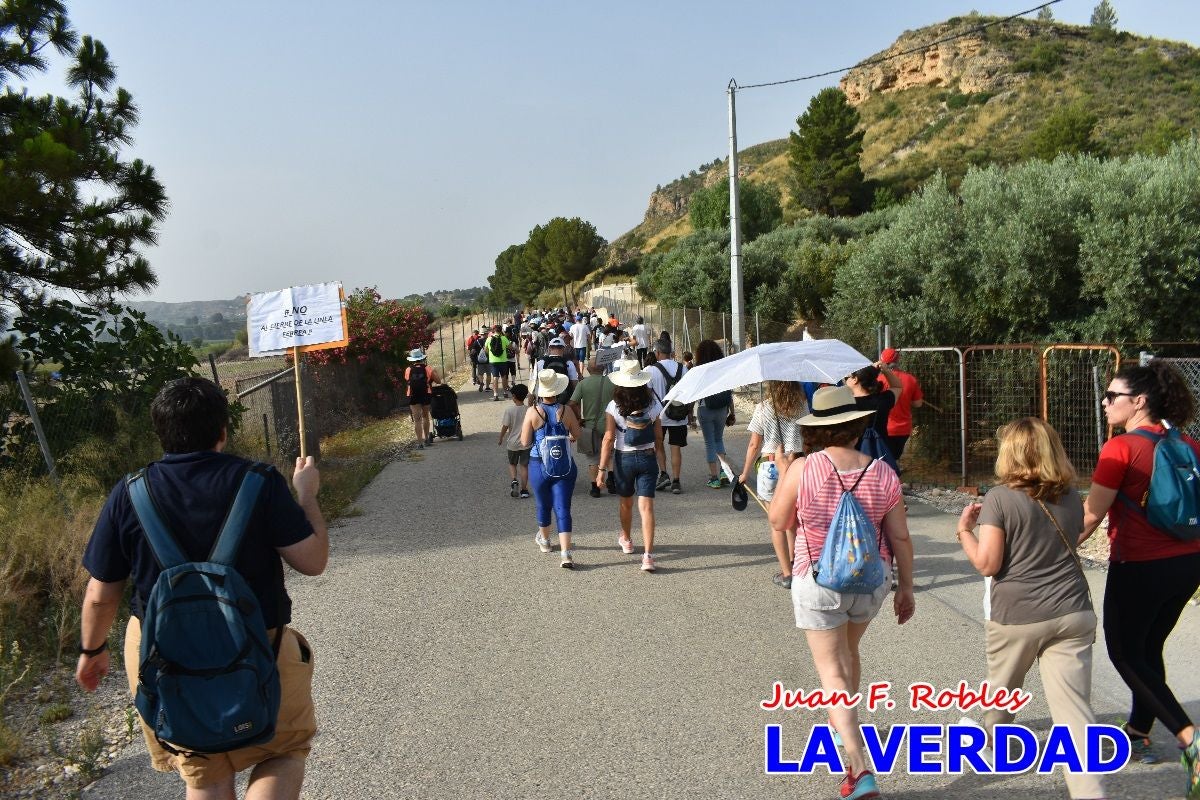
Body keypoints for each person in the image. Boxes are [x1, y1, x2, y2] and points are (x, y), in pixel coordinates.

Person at [75, 377, 328, 800]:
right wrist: (306, 497)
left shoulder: (129, 493)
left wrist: (92, 650)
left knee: (204, 775)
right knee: (282, 751)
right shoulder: (259, 481)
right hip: (260, 647)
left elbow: (102, 594)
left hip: (165, 658)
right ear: (222, 431)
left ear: (160, 433)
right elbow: (313, 561)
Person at [767, 384, 915, 800]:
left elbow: (779, 521)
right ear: (855, 425)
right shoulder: (883, 471)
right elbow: (900, 538)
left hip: (818, 582)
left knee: (832, 672)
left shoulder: (804, 467)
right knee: (849, 654)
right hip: (871, 582)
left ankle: (859, 768)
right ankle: (842, 720)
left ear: (818, 429)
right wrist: (906, 588)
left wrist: (783, 475)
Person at [956, 418, 1105, 800]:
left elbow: (988, 564)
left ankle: (990, 744)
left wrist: (964, 532)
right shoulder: (1072, 496)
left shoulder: (1000, 499)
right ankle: (1091, 793)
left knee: (1003, 688)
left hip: (1019, 614)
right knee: (1075, 714)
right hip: (1073, 610)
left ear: (1010, 454)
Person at [1080, 361, 1200, 789]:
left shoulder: (1121, 448)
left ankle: (1190, 739)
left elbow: (1090, 515)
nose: (1106, 401)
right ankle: (1138, 730)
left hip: (1140, 564)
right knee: (1149, 649)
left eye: (1113, 396)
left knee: (1126, 654)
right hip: (1188, 563)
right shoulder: (1186, 443)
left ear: (1139, 402)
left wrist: (1046, 550)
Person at [596, 359, 664, 572]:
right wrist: (663, 464)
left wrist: (600, 470)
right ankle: (648, 556)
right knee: (647, 508)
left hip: (624, 458)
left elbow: (608, 438)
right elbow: (659, 437)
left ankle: (626, 539)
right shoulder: (653, 403)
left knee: (626, 504)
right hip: (647, 456)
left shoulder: (614, 406)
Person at [739, 381, 809, 589]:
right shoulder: (803, 406)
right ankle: (798, 567)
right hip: (796, 463)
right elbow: (807, 438)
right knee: (793, 521)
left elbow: (754, 444)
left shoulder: (763, 408)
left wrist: (744, 473)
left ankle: (787, 573)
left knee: (777, 522)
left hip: (771, 464)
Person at [521, 369, 582, 568]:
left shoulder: (533, 411)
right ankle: (566, 553)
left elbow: (524, 442)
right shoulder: (566, 411)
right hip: (563, 464)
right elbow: (577, 434)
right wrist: (568, 436)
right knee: (563, 507)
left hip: (539, 464)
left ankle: (546, 541)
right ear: (557, 390)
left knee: (543, 504)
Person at [647, 336, 689, 494]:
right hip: (679, 415)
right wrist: (690, 415)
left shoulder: (650, 370)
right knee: (676, 448)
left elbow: (648, 393)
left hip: (659, 415)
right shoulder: (682, 368)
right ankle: (676, 481)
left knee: (658, 445)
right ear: (670, 352)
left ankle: (663, 473)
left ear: (657, 352)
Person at [570, 357, 616, 498]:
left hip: (590, 426)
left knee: (593, 457)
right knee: (610, 453)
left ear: (588, 370)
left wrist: (579, 417)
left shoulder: (583, 384)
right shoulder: (611, 382)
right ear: (603, 369)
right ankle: (612, 480)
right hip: (610, 424)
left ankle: (595, 487)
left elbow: (572, 403)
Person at [693, 339, 734, 489]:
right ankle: (724, 471)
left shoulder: (700, 369)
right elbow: (729, 392)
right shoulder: (723, 368)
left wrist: (690, 415)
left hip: (705, 409)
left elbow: (694, 392)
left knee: (709, 442)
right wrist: (732, 412)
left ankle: (714, 477)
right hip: (722, 409)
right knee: (719, 439)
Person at [877, 348, 926, 460]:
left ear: (882, 361)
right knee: (894, 458)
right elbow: (918, 404)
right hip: (903, 429)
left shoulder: (878, 380)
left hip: (883, 428)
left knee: (884, 460)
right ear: (898, 360)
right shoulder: (910, 379)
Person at [846, 363, 901, 441]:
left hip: (853, 450)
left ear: (855, 379)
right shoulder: (883, 400)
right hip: (878, 448)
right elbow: (897, 387)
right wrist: (886, 370)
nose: (847, 380)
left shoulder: (846, 404)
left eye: (848, 377)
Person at [498, 382, 532, 499]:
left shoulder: (509, 410)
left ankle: (514, 480)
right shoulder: (529, 410)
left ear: (514, 397)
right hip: (526, 443)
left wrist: (501, 437)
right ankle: (524, 490)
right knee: (524, 466)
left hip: (512, 443)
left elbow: (505, 426)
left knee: (512, 464)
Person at [405, 348, 441, 449]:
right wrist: (435, 372)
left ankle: (420, 443)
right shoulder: (428, 368)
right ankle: (426, 440)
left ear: (412, 359)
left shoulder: (408, 370)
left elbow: (408, 380)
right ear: (422, 358)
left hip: (412, 395)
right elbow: (438, 381)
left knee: (417, 420)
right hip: (426, 394)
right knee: (425, 417)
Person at [533, 337, 579, 404]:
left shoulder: (540, 363)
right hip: (564, 401)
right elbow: (575, 384)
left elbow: (534, 384)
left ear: (549, 348)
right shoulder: (568, 363)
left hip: (544, 401)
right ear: (564, 348)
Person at [485, 324, 512, 401]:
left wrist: (491, 353)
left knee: (495, 377)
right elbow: (510, 347)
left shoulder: (489, 339)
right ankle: (505, 392)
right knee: (504, 377)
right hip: (503, 361)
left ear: (494, 330)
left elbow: (485, 350)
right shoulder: (504, 338)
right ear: (501, 331)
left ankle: (495, 394)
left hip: (493, 361)